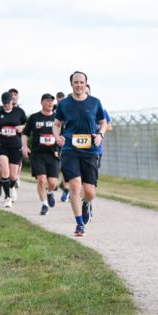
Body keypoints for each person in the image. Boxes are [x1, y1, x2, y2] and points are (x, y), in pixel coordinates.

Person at [54, 71, 108, 237]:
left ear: (86, 84)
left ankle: (86, 204)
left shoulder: (95, 102)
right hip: (70, 149)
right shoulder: (64, 104)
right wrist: (58, 137)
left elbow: (103, 122)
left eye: (81, 82)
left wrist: (100, 135)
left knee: (90, 192)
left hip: (90, 150)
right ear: (71, 84)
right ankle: (79, 224)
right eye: (76, 82)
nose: (79, 85)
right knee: (75, 185)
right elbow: (57, 124)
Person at [23, 93, 61, 215]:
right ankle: (44, 205)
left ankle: (50, 192)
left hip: (53, 153)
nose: (50, 103)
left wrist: (62, 148)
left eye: (51, 101)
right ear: (42, 102)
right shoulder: (34, 118)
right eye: (47, 101)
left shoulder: (57, 119)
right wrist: (24, 146)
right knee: (41, 180)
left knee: (53, 183)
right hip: (38, 154)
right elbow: (25, 134)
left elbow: (63, 136)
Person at [0, 91, 28, 209]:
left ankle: (8, 187)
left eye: (8, 103)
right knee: (5, 171)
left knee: (13, 176)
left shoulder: (19, 112)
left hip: (15, 146)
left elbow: (27, 125)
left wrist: (22, 127)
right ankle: (7, 198)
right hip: (1, 145)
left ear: (12, 101)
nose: (7, 105)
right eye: (4, 103)